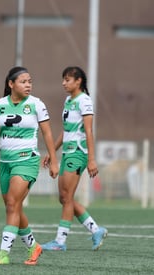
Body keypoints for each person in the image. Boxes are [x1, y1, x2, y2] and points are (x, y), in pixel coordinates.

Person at [0, 66, 59, 265]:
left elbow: (47, 133)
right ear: (11, 84)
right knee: (14, 207)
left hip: (27, 160)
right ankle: (33, 247)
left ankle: (3, 254)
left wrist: (54, 160)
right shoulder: (0, 104)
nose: (28, 85)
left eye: (30, 81)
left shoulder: (37, 104)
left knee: (12, 204)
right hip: (5, 163)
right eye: (23, 81)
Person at [41, 66, 108, 251]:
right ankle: (96, 230)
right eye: (63, 79)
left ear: (78, 81)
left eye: (67, 79)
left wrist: (91, 160)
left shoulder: (84, 101)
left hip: (78, 153)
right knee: (64, 198)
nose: (64, 83)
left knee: (67, 197)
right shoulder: (68, 100)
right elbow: (66, 131)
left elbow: (88, 131)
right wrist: (52, 151)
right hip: (67, 153)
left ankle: (60, 242)